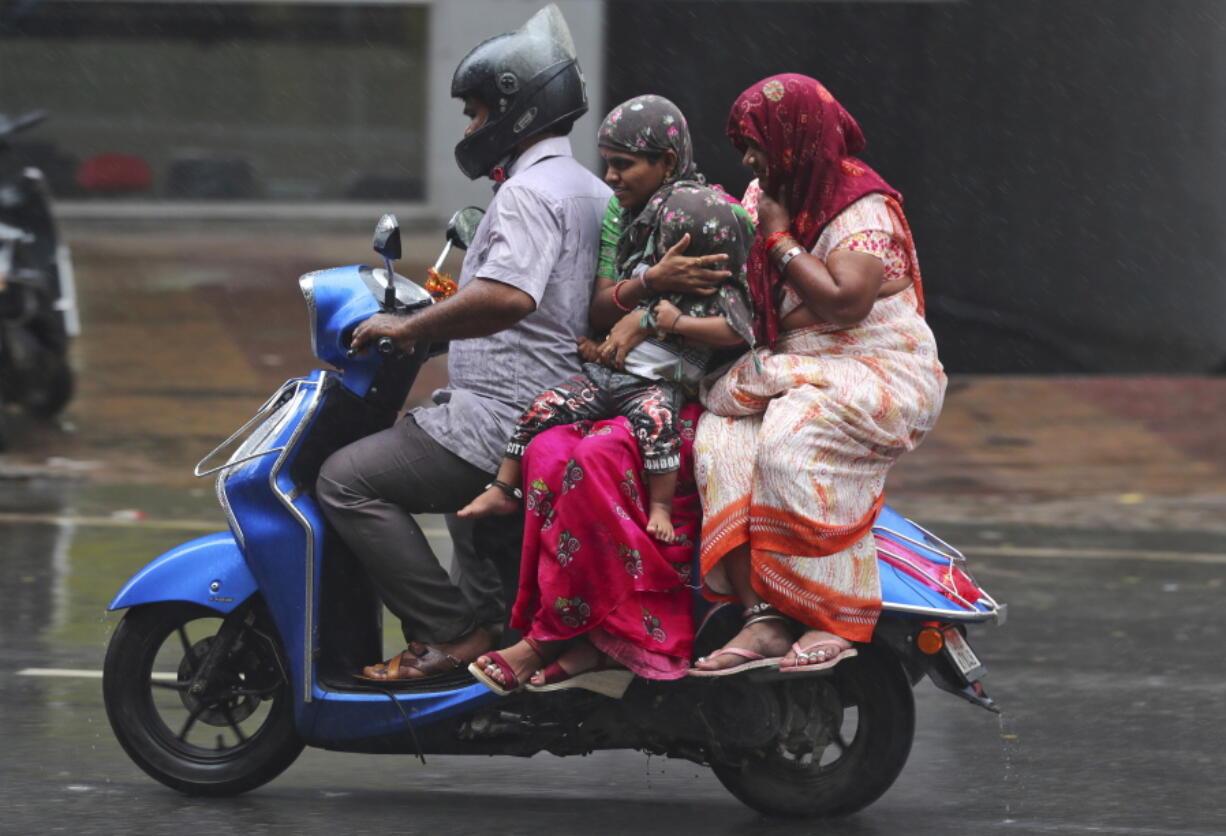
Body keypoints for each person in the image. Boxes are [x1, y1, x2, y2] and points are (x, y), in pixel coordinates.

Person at [315, 5, 611, 682]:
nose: (472, 129)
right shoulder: (586, 189)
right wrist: (438, 336)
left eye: (477, 114)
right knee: (470, 520)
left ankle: (450, 635)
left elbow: (511, 298)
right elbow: (551, 313)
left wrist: (410, 328)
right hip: (551, 408)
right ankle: (500, 636)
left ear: (517, 110)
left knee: (346, 480)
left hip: (505, 419)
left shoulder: (529, 194)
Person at [465, 94, 753, 694]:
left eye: (625, 164)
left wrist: (657, 320)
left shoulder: (702, 219)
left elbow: (736, 329)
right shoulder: (625, 216)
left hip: (684, 389)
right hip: (616, 377)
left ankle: (589, 635)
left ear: (668, 161)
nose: (611, 177)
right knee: (546, 449)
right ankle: (557, 619)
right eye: (608, 162)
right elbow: (601, 305)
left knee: (595, 459)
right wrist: (650, 283)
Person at [690, 73, 947, 676]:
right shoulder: (765, 192)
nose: (749, 160)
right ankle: (764, 620)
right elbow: (754, 290)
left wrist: (780, 240)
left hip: (878, 365)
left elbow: (844, 305)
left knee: (789, 446)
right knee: (718, 443)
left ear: (796, 139)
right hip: (801, 362)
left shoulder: (862, 207)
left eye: (756, 144)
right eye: (743, 149)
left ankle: (833, 616)